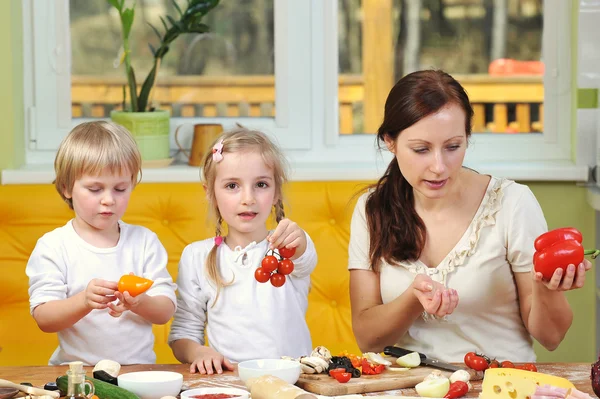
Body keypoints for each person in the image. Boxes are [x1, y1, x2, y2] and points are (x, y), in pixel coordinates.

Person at [348, 70, 592, 363]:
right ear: (390, 141)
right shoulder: (371, 210)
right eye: (421, 149)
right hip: (408, 387)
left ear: (467, 138)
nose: (439, 166)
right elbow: (367, 338)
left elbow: (551, 338)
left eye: (453, 147)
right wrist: (413, 300)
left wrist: (545, 288)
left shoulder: (511, 203)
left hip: (499, 385)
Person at [26, 121, 177, 366]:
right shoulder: (53, 246)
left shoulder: (144, 242)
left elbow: (165, 312)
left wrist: (139, 303)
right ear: (66, 188)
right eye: (95, 189)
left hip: (137, 372)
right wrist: (84, 301)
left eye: (120, 188)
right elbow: (44, 318)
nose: (108, 200)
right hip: (76, 374)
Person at [169, 127, 317, 374]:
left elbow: (305, 257)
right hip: (230, 383)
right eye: (232, 186)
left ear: (277, 191)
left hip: (292, 382)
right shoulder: (196, 256)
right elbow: (183, 334)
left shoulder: (288, 246)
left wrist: (298, 239)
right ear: (211, 193)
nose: (248, 198)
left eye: (261, 184)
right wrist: (199, 352)